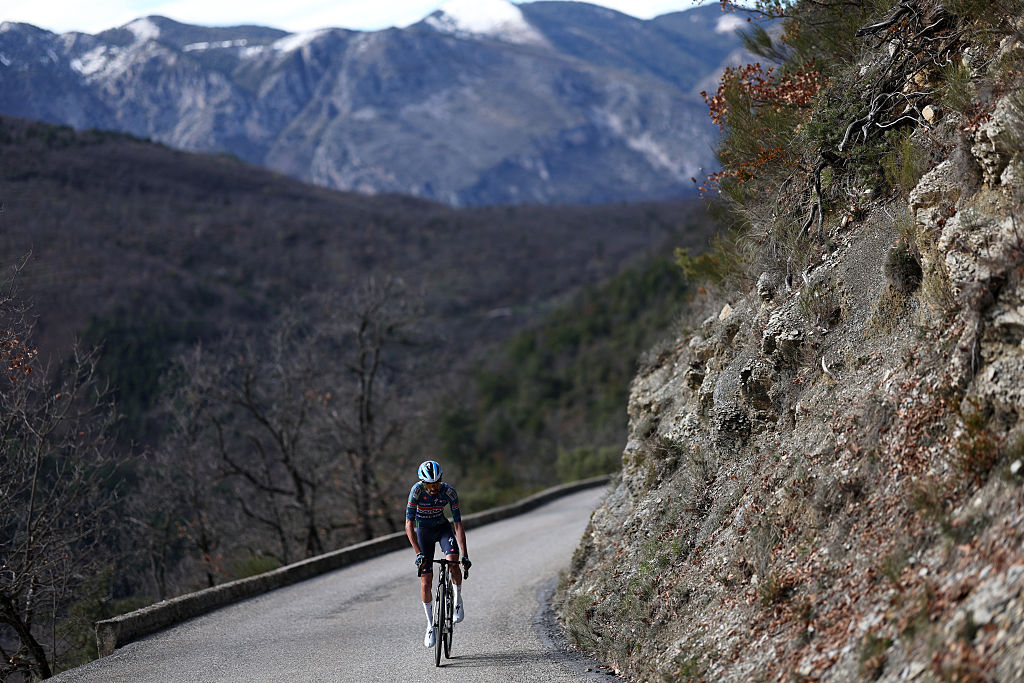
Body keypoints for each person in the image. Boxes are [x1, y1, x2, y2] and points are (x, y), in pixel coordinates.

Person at [405, 460, 471, 648]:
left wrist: (464, 554)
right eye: (429, 484)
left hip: (442, 529)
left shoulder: (449, 491)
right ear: (422, 483)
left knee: (453, 563)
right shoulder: (416, 491)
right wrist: (418, 553)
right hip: (423, 532)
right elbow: (409, 525)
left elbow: (458, 524)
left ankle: (457, 600)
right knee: (426, 580)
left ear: (441, 480)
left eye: (436, 484)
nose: (433, 488)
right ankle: (430, 624)